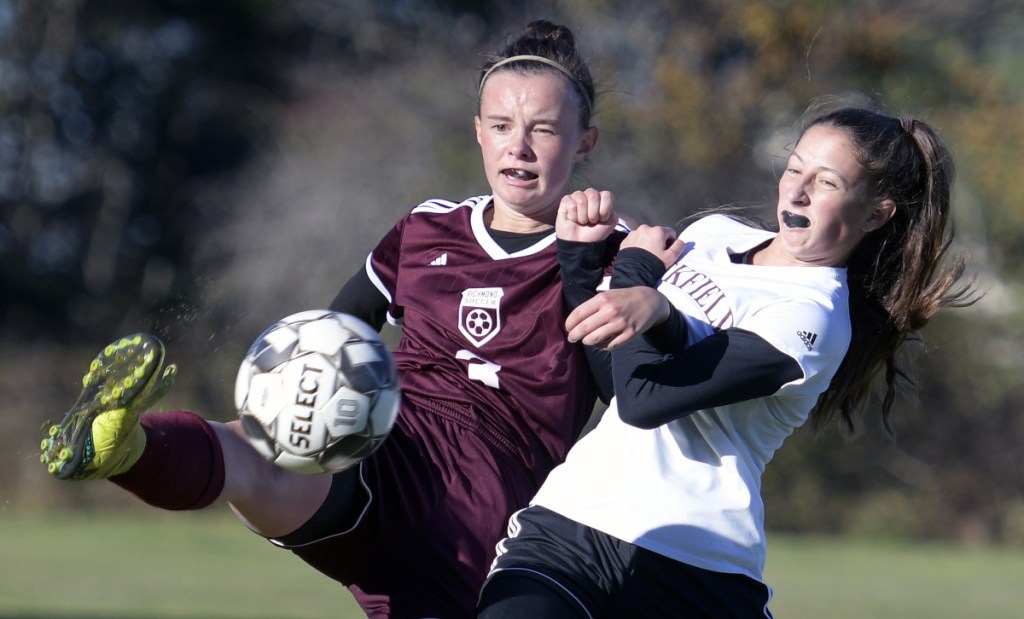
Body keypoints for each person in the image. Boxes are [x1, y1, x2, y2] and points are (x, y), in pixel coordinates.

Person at [40, 20, 621, 619]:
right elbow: (339, 326)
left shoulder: (612, 250)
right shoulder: (428, 226)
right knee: (261, 455)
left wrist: (583, 265)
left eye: (543, 130)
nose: (517, 147)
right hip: (390, 429)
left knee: (262, 473)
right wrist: (291, 390)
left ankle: (142, 449)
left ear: (584, 143)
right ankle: (125, 446)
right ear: (477, 132)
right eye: (500, 127)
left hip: (489, 499)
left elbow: (627, 392)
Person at [475, 104, 976, 618]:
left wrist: (637, 277)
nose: (796, 191)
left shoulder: (814, 319)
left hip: (692, 568)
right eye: (794, 167)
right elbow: (617, 381)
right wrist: (580, 265)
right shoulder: (714, 233)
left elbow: (646, 402)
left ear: (876, 213)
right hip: (569, 524)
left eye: (825, 182)